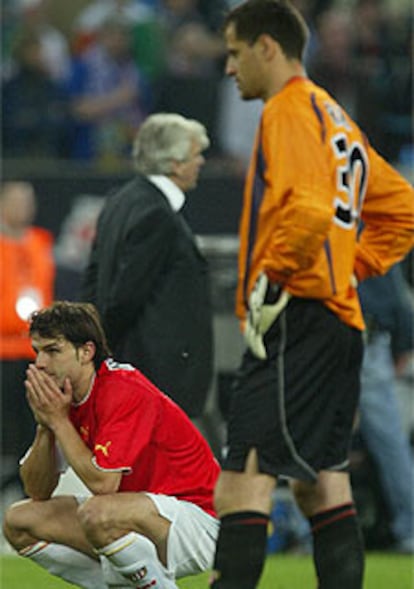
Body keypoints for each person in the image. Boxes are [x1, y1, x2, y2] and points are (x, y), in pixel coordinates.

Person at [209, 2, 414, 589]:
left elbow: (307, 208)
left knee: (242, 481)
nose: (229, 67)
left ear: (267, 47)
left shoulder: (290, 109)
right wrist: (346, 265)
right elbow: (401, 211)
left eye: (234, 51)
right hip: (338, 320)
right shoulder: (336, 115)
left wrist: (277, 276)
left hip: (296, 317)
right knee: (321, 482)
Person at [2, 301, 220, 589]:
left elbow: (103, 484)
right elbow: (37, 490)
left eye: (53, 350)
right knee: (19, 520)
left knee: (98, 513)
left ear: (86, 352)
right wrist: (45, 426)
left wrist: (59, 422)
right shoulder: (63, 401)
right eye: (37, 351)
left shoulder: (122, 389)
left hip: (197, 520)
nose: (40, 363)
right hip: (133, 515)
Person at [82, 112, 214, 418]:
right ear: (175, 163)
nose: (202, 162)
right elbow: (126, 297)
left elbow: (93, 279)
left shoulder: (119, 201)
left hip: (129, 369)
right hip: (154, 374)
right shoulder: (157, 215)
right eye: (196, 154)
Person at [0, 182, 55, 490]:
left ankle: (27, 483)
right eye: (17, 201)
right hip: (2, 350)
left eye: (28, 201)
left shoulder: (41, 241)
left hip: (34, 351)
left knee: (31, 424)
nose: (24, 207)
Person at [357, 263, 414, 553]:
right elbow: (395, 292)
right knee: (392, 444)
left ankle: (309, 532)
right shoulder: (372, 224)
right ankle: (410, 530)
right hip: (370, 339)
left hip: (327, 337)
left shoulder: (314, 220)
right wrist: (404, 341)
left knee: (317, 442)